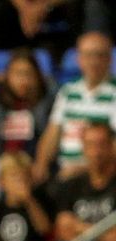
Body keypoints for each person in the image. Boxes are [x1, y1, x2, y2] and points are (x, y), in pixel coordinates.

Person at [34, 31, 116, 181]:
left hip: (101, 174)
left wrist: (85, 169)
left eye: (100, 55)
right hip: (66, 171)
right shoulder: (68, 91)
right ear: (79, 59)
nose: (94, 61)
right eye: (88, 55)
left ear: (110, 59)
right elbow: (52, 133)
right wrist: (41, 165)